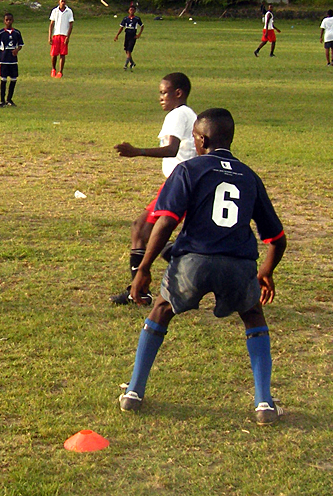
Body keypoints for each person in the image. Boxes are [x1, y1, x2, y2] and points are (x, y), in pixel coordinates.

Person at [118, 108, 287, 426]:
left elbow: (166, 222)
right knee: (253, 316)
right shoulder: (249, 176)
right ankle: (264, 402)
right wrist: (265, 272)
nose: (192, 142)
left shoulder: (188, 170)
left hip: (193, 262)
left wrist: (143, 268)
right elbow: (277, 239)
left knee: (161, 310)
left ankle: (134, 392)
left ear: (203, 139)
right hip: (238, 265)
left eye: (194, 137)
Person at [111, 72, 197, 305]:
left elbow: (172, 149)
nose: (160, 98)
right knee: (145, 232)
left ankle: (191, 272)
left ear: (178, 93)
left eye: (163, 93)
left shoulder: (178, 114)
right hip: (180, 184)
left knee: (143, 231)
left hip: (180, 185)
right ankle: (141, 290)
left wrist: (138, 151)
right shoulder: (186, 114)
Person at [0, 13, 24, 108]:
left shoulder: (17, 33)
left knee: (13, 80)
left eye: (10, 20)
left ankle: (9, 99)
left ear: (12, 21)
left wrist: (17, 49)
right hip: (3, 60)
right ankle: (2, 101)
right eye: (6, 20)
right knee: (3, 80)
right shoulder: (0, 33)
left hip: (13, 60)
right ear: (4, 21)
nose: (8, 22)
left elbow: (20, 44)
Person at [48, 0, 74, 78]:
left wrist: (67, 37)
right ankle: (53, 69)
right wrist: (49, 36)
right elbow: (51, 24)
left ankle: (60, 72)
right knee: (53, 54)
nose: (63, 3)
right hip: (56, 35)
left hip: (64, 35)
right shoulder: (55, 11)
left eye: (64, 1)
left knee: (62, 54)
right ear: (59, 2)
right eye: (61, 1)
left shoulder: (69, 11)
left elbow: (71, 25)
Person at [113, 4, 144, 70]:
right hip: (127, 35)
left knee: (129, 50)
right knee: (127, 50)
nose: (131, 11)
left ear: (135, 11)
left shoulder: (137, 19)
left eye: (133, 10)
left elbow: (142, 26)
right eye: (130, 10)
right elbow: (121, 27)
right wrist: (117, 35)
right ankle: (132, 62)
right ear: (128, 11)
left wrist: (139, 34)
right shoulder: (125, 19)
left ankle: (126, 65)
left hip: (133, 35)